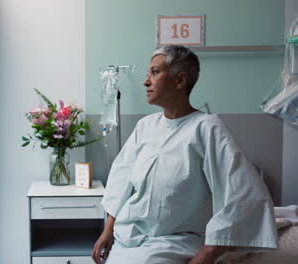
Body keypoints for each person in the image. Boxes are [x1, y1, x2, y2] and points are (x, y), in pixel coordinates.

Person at [91, 45, 278, 264]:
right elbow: (120, 180)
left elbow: (245, 193)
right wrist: (108, 231)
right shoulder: (145, 126)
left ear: (179, 81)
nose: (146, 81)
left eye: (155, 72)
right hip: (128, 238)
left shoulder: (206, 128)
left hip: (174, 243)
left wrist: (209, 253)